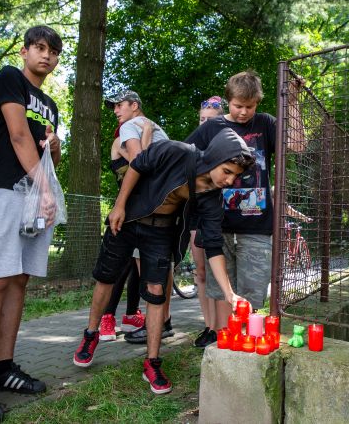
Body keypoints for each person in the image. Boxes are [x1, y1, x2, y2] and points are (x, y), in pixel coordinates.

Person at [73, 127, 254, 395]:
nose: (229, 180)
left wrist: (229, 293)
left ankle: (152, 362)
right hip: (129, 218)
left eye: (235, 176)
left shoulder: (212, 197)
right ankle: (91, 335)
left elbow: (214, 247)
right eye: (227, 171)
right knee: (107, 277)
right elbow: (137, 166)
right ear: (215, 157)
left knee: (157, 292)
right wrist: (120, 205)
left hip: (160, 231)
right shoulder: (175, 151)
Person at [0, 26, 63, 423]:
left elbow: (44, 151)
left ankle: (4, 367)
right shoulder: (9, 78)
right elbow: (18, 135)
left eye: (53, 52)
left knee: (20, 279)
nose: (46, 56)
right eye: (39, 48)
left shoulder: (52, 104)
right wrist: (43, 188)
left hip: (37, 197)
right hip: (7, 192)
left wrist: (55, 149)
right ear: (25, 51)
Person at [185, 71, 310, 330]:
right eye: (238, 106)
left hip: (257, 225)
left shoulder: (264, 123)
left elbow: (297, 144)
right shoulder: (213, 128)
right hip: (218, 221)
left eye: (249, 106)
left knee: (252, 290)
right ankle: (222, 339)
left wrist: (295, 101)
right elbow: (186, 158)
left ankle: (244, 336)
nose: (243, 112)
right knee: (222, 290)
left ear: (257, 103)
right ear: (228, 101)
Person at [101, 90, 175, 344]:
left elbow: (140, 162)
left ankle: (133, 319)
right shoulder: (156, 130)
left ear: (134, 105)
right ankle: (152, 319)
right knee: (141, 268)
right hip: (152, 207)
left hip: (140, 208)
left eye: (119, 105)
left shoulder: (134, 126)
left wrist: (141, 139)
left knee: (132, 268)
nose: (115, 111)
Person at [98, 119, 154, 341]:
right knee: (119, 268)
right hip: (125, 210)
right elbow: (143, 161)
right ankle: (107, 319)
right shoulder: (119, 142)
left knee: (135, 268)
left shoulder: (134, 141)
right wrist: (148, 131)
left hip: (142, 210)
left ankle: (131, 315)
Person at [192, 96, 224, 348]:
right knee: (201, 272)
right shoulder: (193, 146)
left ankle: (221, 326)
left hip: (218, 214)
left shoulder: (228, 148)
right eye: (202, 119)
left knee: (217, 272)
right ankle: (208, 325)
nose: (205, 125)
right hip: (194, 213)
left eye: (210, 121)